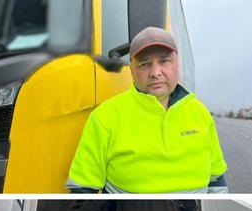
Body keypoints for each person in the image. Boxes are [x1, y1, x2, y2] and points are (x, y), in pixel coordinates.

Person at [67, 27, 228, 194]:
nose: (155, 73)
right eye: (145, 64)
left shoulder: (200, 113)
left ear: (176, 64)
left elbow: (216, 180)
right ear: (131, 70)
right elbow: (82, 191)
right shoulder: (104, 117)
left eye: (164, 61)